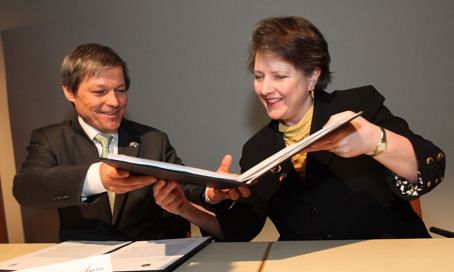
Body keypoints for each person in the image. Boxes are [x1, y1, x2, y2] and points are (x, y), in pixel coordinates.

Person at [153, 16, 446, 241]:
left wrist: (374, 141)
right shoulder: (257, 149)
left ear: (312, 77)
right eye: (258, 76)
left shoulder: (358, 107)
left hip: (394, 259)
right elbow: (239, 230)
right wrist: (184, 208)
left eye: (279, 76)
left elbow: (430, 168)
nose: (265, 88)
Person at [13, 43, 203, 241]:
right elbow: (27, 188)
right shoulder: (51, 139)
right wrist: (96, 178)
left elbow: (185, 186)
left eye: (120, 90)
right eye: (99, 92)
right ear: (69, 91)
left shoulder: (153, 139)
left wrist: (212, 191)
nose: (114, 102)